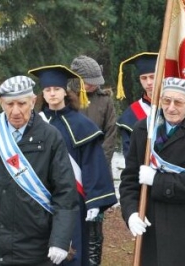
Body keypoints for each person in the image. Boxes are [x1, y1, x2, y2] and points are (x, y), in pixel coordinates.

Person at [0, 76, 79, 265]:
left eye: (22, 103)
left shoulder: (51, 137)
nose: (16, 111)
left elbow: (65, 193)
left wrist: (60, 240)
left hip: (37, 247)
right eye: (9, 104)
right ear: (0, 103)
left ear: (33, 101)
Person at [119, 77, 185, 266]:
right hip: (152, 227)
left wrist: (157, 180)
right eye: (166, 100)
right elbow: (129, 180)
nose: (170, 108)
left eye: (178, 102)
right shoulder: (144, 129)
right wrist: (131, 213)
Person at [28, 65, 118, 266]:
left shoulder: (81, 125)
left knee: (72, 250)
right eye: (48, 90)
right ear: (43, 93)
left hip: (74, 201)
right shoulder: (33, 124)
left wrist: (95, 200)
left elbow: (92, 164)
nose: (52, 94)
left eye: (56, 89)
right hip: (41, 197)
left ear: (65, 91)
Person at [69, 55, 117, 266]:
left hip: (96, 174)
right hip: (69, 170)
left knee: (94, 224)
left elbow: (110, 134)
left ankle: (93, 261)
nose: (93, 85)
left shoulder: (105, 100)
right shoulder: (64, 96)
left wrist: (97, 166)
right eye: (88, 81)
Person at [116, 52, 158, 158]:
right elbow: (129, 154)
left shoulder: (176, 107)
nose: (148, 82)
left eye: (152, 77)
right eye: (144, 78)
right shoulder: (131, 114)